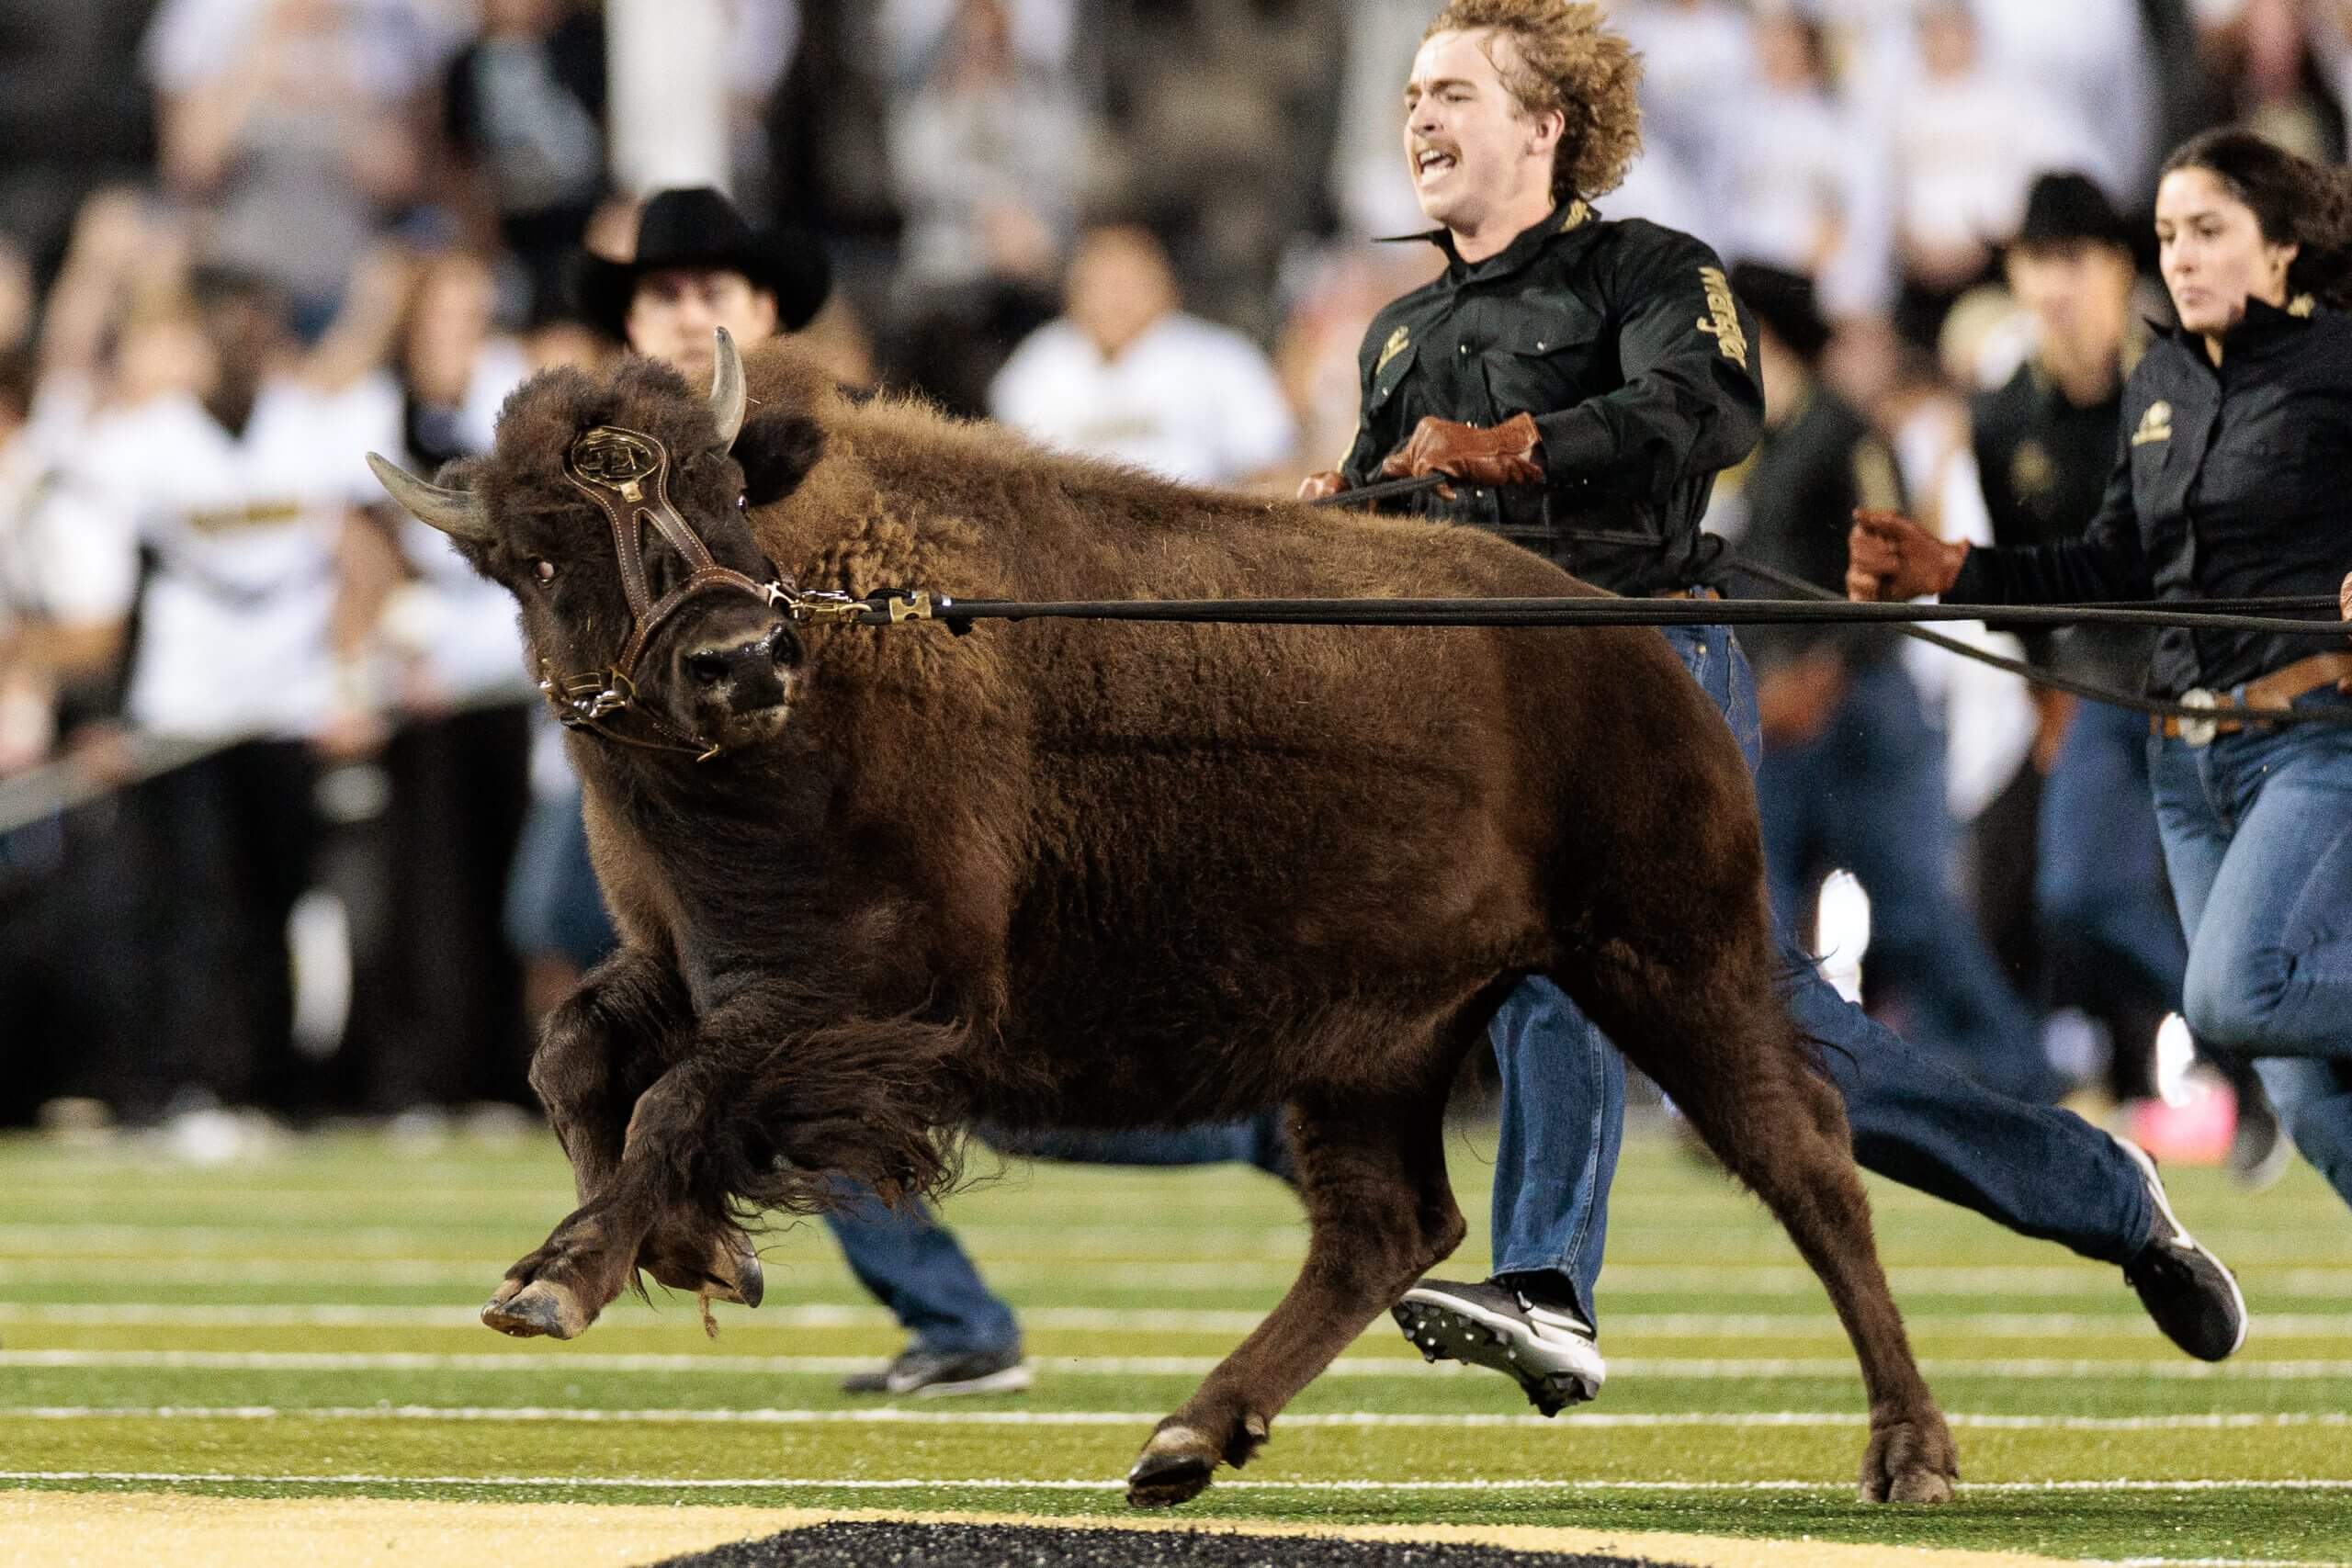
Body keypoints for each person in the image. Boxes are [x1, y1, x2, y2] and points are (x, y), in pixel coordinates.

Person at [1301, 0, 2242, 1416]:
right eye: (1416, 94)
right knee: (1788, 1045)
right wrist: (1333, 520)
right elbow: (1381, 537)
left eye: (1453, 94)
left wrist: (1519, 448)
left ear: (1546, 127)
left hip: (1648, 671)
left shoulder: (1654, 272)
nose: (1419, 117)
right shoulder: (1393, 341)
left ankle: (1549, 1286)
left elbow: (1711, 408)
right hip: (1486, 709)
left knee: (1556, 930)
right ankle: (2106, 1187)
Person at [549, 187, 1294, 1398]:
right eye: (662, 294)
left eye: (713, 293)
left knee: (921, 1072)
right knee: (847, 1073)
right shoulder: (607, 464)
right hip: (706, 824)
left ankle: (1241, 1136)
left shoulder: (841, 438)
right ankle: (979, 1290)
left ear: (768, 308)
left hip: (880, 814)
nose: (688, 315)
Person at [1851, 128, 2352, 1213]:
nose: (2182, 256)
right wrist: (1955, 570)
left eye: (2209, 232)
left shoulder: (2336, 360)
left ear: (2278, 250)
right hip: (2173, 739)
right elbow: (2114, 559)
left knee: (2230, 994)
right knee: (2312, 1103)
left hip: (2307, 733)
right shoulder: (2161, 379)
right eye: (2170, 233)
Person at [1972, 171, 2279, 1166]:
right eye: (2036, 263)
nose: (2055, 286)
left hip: (2214, 674)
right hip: (2102, 680)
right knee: (2076, 897)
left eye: (2075, 261)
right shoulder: (2002, 417)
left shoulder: (2193, 383)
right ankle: (2244, 1058)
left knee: (2221, 894)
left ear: (2116, 270)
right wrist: (2042, 687)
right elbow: (2017, 575)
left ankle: (2253, 1056)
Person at [989, 223, 1297, 486]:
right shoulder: (1037, 363)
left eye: (1127, 284)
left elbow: (1269, 468)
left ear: (1166, 288)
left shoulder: (1223, 359)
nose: (1114, 301)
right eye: (1100, 285)